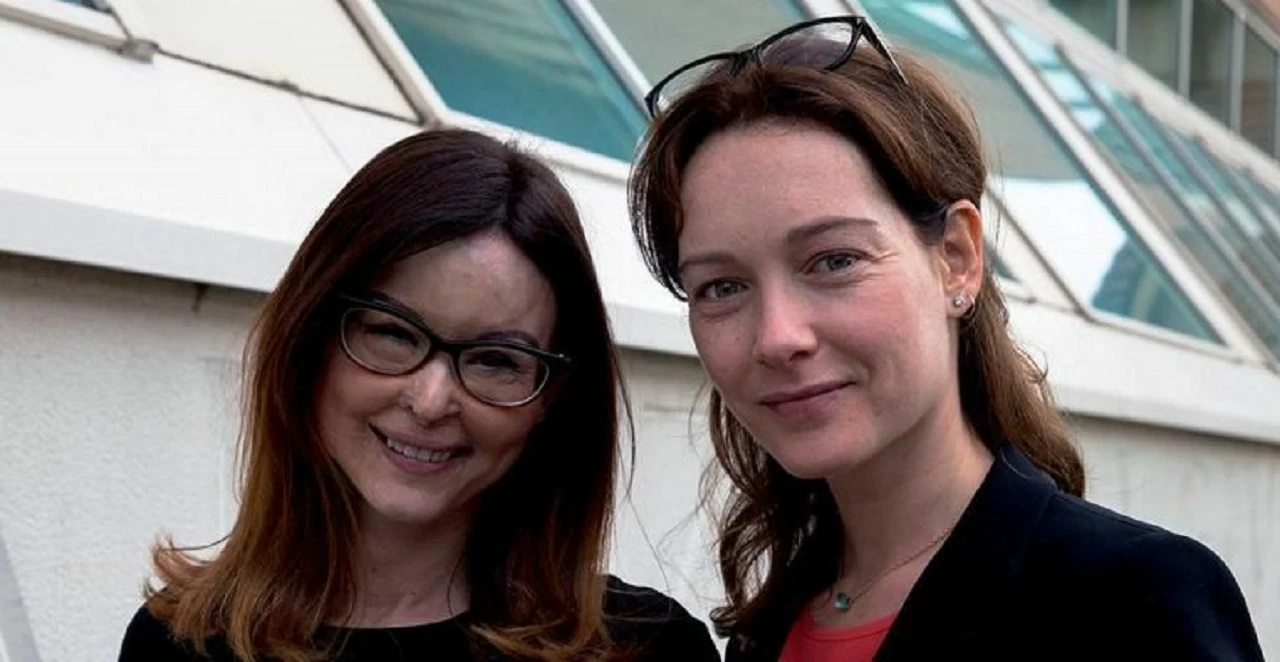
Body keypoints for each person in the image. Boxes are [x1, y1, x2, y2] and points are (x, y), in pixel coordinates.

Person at [629, 15, 1263, 662]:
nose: (777, 337)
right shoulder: (767, 630)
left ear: (957, 258)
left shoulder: (1130, 603)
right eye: (721, 287)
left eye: (834, 260)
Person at [119, 128, 720, 661]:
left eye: (495, 360)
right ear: (310, 340)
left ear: (551, 400)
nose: (431, 401)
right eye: (392, 333)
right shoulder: (177, 644)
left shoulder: (650, 651)